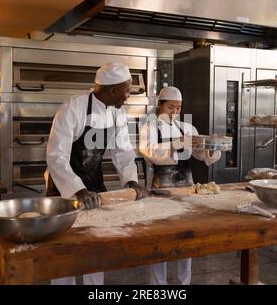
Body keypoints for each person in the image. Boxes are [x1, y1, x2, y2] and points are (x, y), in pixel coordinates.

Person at [46, 62, 148, 285]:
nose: (128, 96)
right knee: (65, 249)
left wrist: (131, 181)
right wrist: (78, 190)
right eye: (127, 90)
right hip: (65, 186)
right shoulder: (73, 108)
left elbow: (123, 152)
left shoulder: (117, 113)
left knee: (95, 245)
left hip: (93, 181)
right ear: (112, 91)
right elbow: (56, 156)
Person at [139, 86, 221, 285]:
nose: (175, 112)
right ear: (160, 106)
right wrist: (177, 144)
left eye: (178, 108)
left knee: (186, 240)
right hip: (161, 189)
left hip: (186, 187)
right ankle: (159, 286)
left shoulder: (187, 128)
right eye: (170, 107)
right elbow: (149, 152)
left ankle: (184, 284)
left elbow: (202, 156)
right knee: (161, 241)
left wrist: (211, 146)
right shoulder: (149, 127)